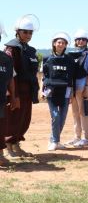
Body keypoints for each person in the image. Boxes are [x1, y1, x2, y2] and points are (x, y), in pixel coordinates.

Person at [3, 14, 40, 158]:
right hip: (16, 89)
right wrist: (13, 95)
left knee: (24, 119)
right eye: (25, 32)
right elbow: (10, 74)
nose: (28, 35)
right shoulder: (12, 48)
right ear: (17, 31)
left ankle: (16, 144)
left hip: (28, 91)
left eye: (30, 32)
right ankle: (7, 146)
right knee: (12, 118)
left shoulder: (31, 50)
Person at [43, 32, 75, 151]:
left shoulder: (69, 60)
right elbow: (44, 75)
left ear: (66, 45)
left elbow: (72, 77)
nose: (61, 44)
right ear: (54, 44)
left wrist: (72, 92)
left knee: (62, 118)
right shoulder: (47, 59)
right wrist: (43, 90)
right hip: (51, 91)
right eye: (58, 42)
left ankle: (54, 139)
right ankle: (55, 141)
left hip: (66, 91)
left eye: (63, 42)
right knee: (55, 117)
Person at [66, 29, 88, 148]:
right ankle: (77, 136)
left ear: (87, 41)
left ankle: (85, 137)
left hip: (83, 86)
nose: (81, 41)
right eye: (78, 39)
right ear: (75, 41)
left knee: (84, 112)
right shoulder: (71, 54)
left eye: (83, 39)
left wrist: (87, 86)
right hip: (74, 87)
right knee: (75, 112)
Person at [0, 22, 15, 165]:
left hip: (1, 99)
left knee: (1, 127)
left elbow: (11, 79)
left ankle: (0, 155)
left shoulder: (6, 59)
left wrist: (14, 96)